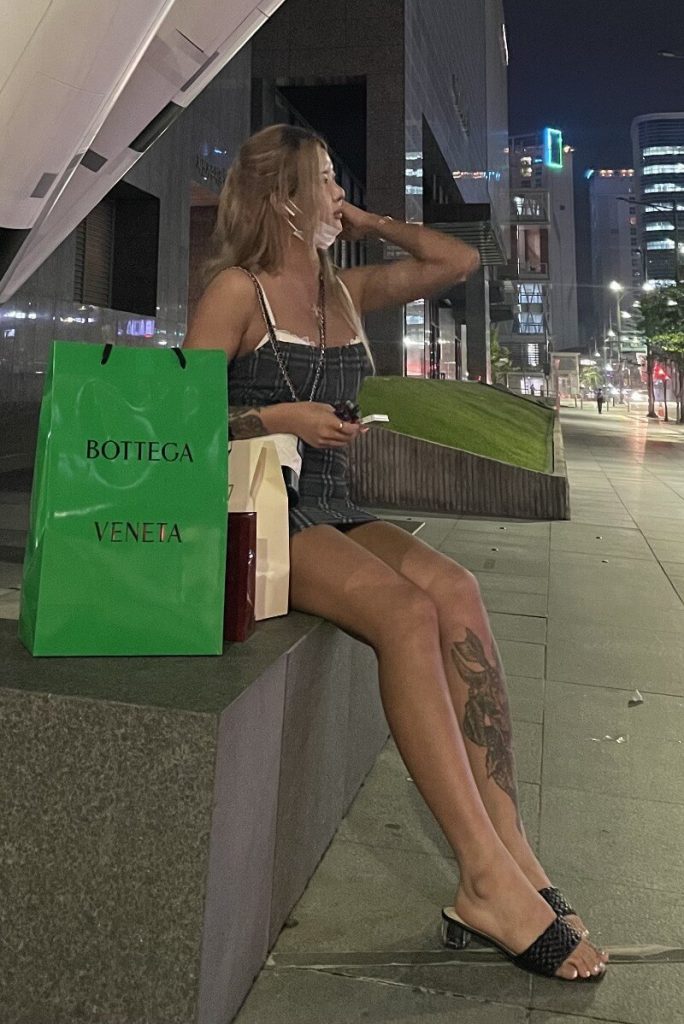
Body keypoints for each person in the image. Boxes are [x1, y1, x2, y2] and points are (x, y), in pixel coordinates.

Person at [185, 124, 608, 982]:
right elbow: (175, 420)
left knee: (457, 588)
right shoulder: (237, 291)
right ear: (284, 199)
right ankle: (482, 876)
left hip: (335, 503)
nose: (340, 192)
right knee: (406, 613)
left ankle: (512, 850)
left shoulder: (340, 289)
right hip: (262, 512)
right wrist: (279, 418)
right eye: (326, 179)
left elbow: (457, 261)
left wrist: (371, 222)